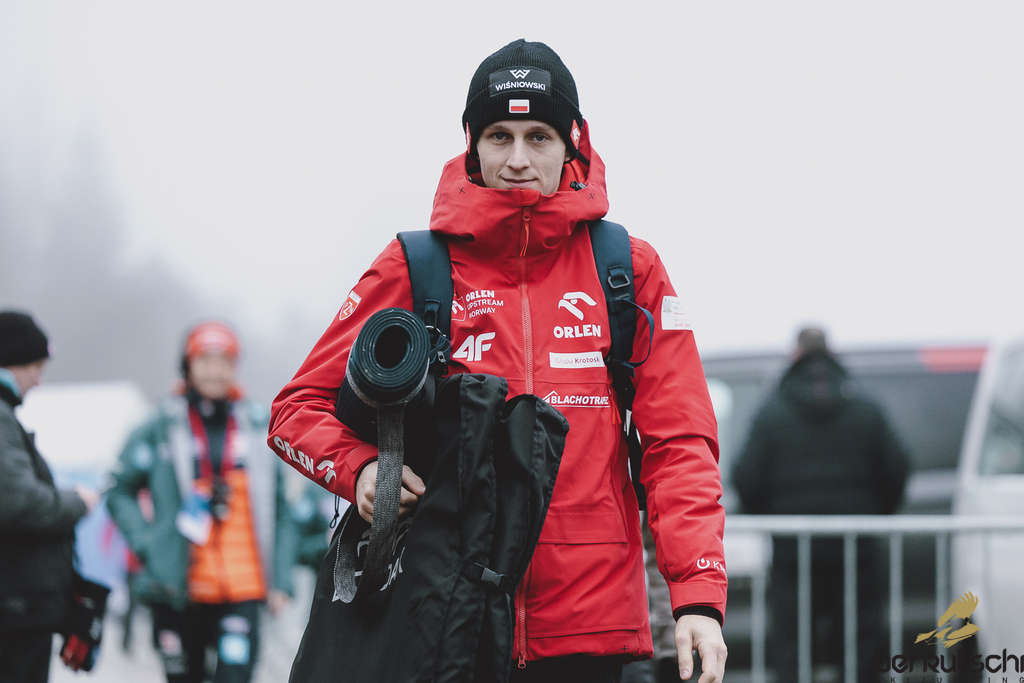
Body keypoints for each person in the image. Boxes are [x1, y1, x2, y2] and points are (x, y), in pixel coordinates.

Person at [269, 39, 728, 683]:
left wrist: (698, 596)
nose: (517, 159)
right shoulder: (415, 265)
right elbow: (295, 410)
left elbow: (678, 443)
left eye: (539, 137)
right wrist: (364, 470)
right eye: (499, 137)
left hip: (585, 626)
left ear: (572, 143)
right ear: (472, 146)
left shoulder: (627, 268)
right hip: (443, 620)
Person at [106, 320, 299, 683]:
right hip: (176, 590)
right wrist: (147, 544)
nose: (215, 370)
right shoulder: (159, 426)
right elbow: (119, 491)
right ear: (187, 366)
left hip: (242, 590)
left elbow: (282, 512)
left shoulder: (258, 426)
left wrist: (282, 580)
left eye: (225, 361)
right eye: (205, 360)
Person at [731, 326, 910, 682]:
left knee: (793, 647)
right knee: (859, 646)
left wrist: (773, 520)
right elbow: (897, 468)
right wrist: (873, 516)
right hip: (856, 549)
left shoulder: (772, 412)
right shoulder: (865, 407)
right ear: (831, 353)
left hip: (793, 554)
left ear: (795, 355)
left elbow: (745, 476)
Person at [0, 310, 99, 683]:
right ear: (12, 362)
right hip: (14, 614)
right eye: (36, 368)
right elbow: (18, 502)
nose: (39, 382)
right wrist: (77, 502)